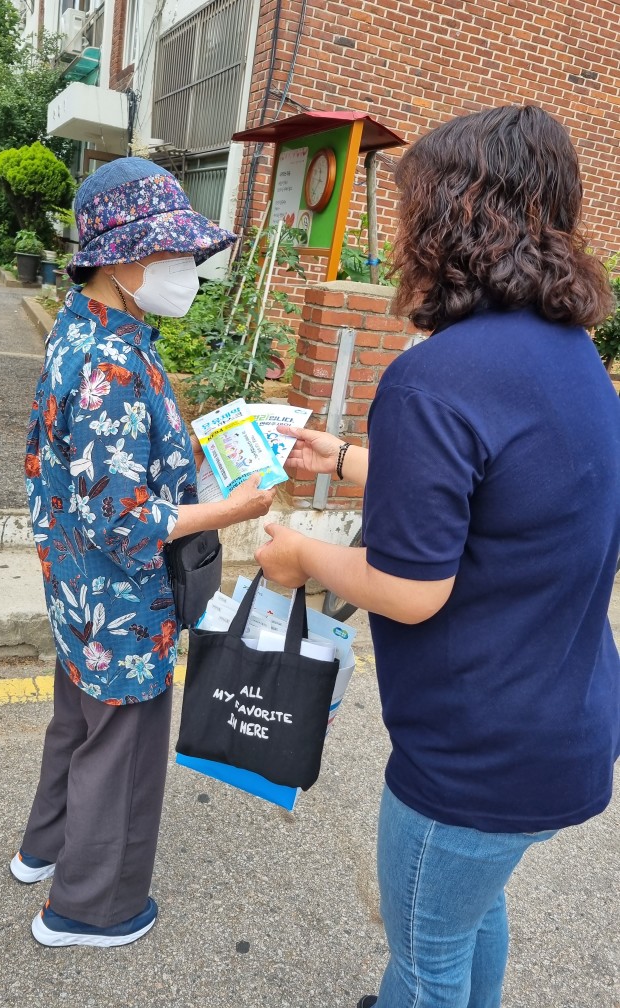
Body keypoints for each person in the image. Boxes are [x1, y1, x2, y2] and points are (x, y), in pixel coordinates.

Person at [255, 105, 620, 1007]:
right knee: (465, 921)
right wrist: (342, 458)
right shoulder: (574, 359)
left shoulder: (433, 377)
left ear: (453, 214)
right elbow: (506, 494)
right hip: (565, 728)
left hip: (472, 755)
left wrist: (300, 554)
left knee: (423, 958)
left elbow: (410, 590)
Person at [13, 157, 275, 948]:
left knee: (79, 723)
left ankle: (46, 848)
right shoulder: (111, 362)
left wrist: (215, 442)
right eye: (180, 257)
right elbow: (126, 521)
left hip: (80, 591)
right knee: (121, 752)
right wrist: (233, 506)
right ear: (126, 261)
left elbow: (110, 462)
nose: (191, 272)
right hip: (122, 597)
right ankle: (89, 909)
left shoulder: (89, 330)